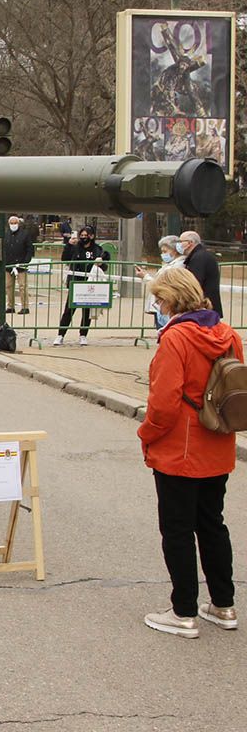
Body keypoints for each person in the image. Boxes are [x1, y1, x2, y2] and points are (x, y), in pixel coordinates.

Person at [138, 268, 239, 638]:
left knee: (177, 529)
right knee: (212, 523)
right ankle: (223, 604)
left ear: (171, 300)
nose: (158, 306)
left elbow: (163, 403)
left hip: (180, 446)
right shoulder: (227, 333)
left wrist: (146, 433)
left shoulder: (176, 338)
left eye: (159, 300)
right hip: (218, 440)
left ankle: (183, 612)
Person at [53, 225, 110, 346]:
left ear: (92, 236)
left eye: (86, 235)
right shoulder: (75, 248)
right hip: (76, 283)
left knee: (87, 311)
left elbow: (104, 266)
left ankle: (83, 335)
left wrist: (101, 263)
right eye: (82, 235)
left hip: (90, 283)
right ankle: (60, 335)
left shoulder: (97, 249)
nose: (84, 238)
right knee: (69, 310)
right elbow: (65, 259)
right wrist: (68, 245)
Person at [135, 235, 186, 329]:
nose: (163, 254)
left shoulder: (178, 266)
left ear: (175, 251)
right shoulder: (169, 265)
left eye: (165, 251)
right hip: (160, 306)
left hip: (167, 305)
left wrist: (145, 277)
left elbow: (162, 285)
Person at [179, 230, 223, 317]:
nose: (179, 245)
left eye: (181, 242)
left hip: (203, 307)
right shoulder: (200, 255)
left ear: (190, 243)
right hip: (205, 306)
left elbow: (195, 282)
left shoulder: (199, 258)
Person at [3, 215, 34, 314]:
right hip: (8, 265)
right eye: (11, 223)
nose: (13, 225)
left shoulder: (25, 234)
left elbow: (30, 249)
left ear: (18, 224)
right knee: (8, 286)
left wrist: (25, 262)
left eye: (15, 223)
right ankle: (10, 306)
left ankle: (25, 307)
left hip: (21, 265)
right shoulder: (6, 234)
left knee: (22, 286)